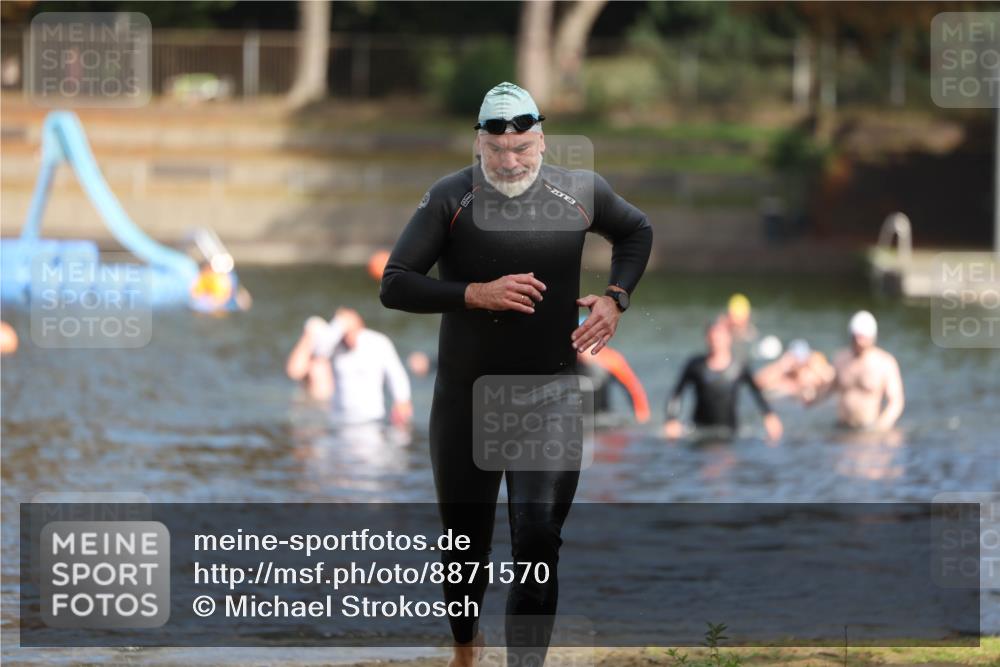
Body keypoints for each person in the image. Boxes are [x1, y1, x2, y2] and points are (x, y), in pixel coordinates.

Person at [380, 81, 652, 667]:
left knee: (537, 539)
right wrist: (473, 293)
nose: (509, 162)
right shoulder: (451, 197)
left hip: (551, 397)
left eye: (522, 149)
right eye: (496, 149)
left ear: (542, 142)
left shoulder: (580, 191)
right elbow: (395, 283)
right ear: (478, 144)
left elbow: (636, 231)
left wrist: (615, 298)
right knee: (466, 554)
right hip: (465, 402)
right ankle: (466, 645)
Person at [286, 307, 413, 427]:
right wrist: (338, 326)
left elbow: (396, 374)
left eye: (352, 331)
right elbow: (314, 355)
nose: (350, 338)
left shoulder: (378, 342)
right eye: (346, 332)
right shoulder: (335, 346)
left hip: (371, 419)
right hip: (339, 420)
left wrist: (402, 400)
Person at [663, 320, 783, 442]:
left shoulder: (739, 365)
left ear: (728, 338)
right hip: (699, 431)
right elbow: (676, 394)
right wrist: (671, 419)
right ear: (707, 339)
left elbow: (756, 392)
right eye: (713, 338)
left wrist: (769, 416)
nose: (716, 342)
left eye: (720, 338)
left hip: (730, 432)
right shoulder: (695, 365)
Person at [810, 310, 904, 431]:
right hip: (842, 427)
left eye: (863, 338)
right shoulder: (841, 358)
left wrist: (881, 426)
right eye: (856, 338)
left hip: (869, 428)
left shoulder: (885, 363)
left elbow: (896, 401)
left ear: (872, 337)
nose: (859, 342)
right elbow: (829, 389)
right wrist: (812, 398)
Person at [577, 339, 651, 424]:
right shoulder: (568, 359)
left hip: (601, 418)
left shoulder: (610, 359)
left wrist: (642, 418)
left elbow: (633, 389)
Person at [754, 338, 835, 402]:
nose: (797, 363)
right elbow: (757, 383)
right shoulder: (784, 375)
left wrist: (815, 368)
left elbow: (830, 377)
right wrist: (781, 365)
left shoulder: (811, 372)